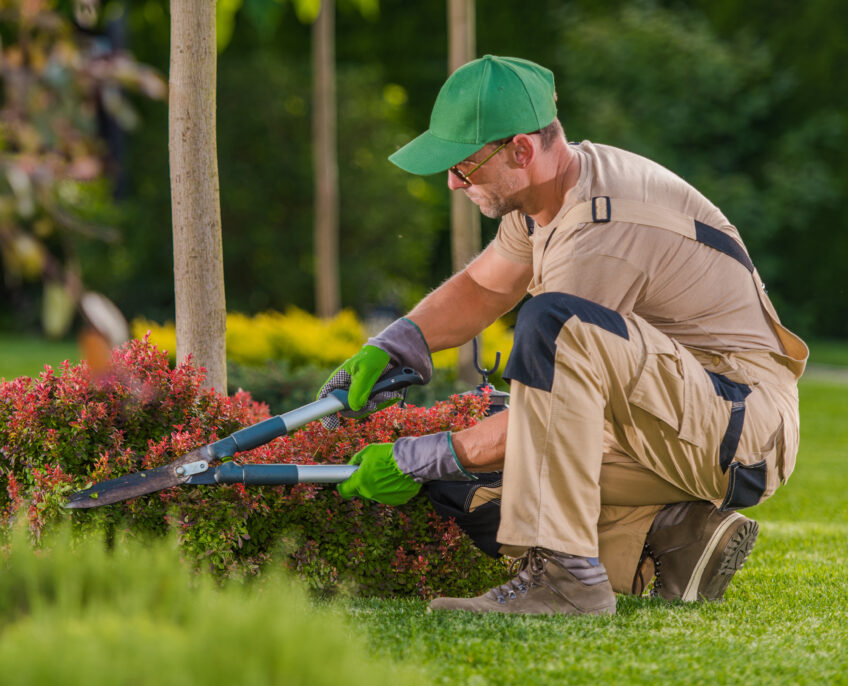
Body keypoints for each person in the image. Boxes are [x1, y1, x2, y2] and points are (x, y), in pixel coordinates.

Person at [317, 55, 807, 616]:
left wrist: (425, 454)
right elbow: (484, 287)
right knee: (469, 482)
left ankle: (568, 580)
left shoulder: (602, 228)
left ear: (521, 150)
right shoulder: (545, 199)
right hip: (673, 422)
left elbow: (546, 403)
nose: (453, 182)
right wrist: (399, 343)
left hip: (737, 423)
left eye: (464, 165)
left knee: (546, 336)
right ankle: (676, 537)